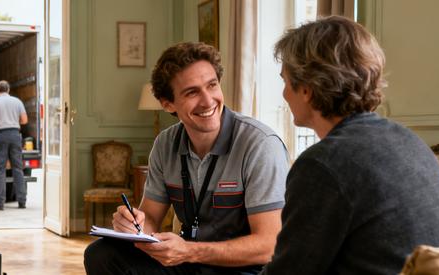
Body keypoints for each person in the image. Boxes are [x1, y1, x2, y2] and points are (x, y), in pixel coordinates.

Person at [261, 16, 439, 274]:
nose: (284, 94)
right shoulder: (407, 140)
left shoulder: (322, 164)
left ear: (307, 88)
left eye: (286, 81)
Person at [84, 42, 289, 274]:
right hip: (190, 263)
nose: (208, 101)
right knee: (101, 254)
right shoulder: (165, 144)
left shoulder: (260, 144)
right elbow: (150, 216)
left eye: (212, 85)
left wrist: (190, 251)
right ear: (167, 103)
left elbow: (270, 245)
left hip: (244, 269)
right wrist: (135, 225)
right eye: (192, 92)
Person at [0, 80, 28, 210]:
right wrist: (15, 120)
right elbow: (25, 120)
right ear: (8, 89)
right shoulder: (17, 102)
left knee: (0, 169)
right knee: (17, 169)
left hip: (2, 135)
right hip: (15, 135)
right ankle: (22, 202)